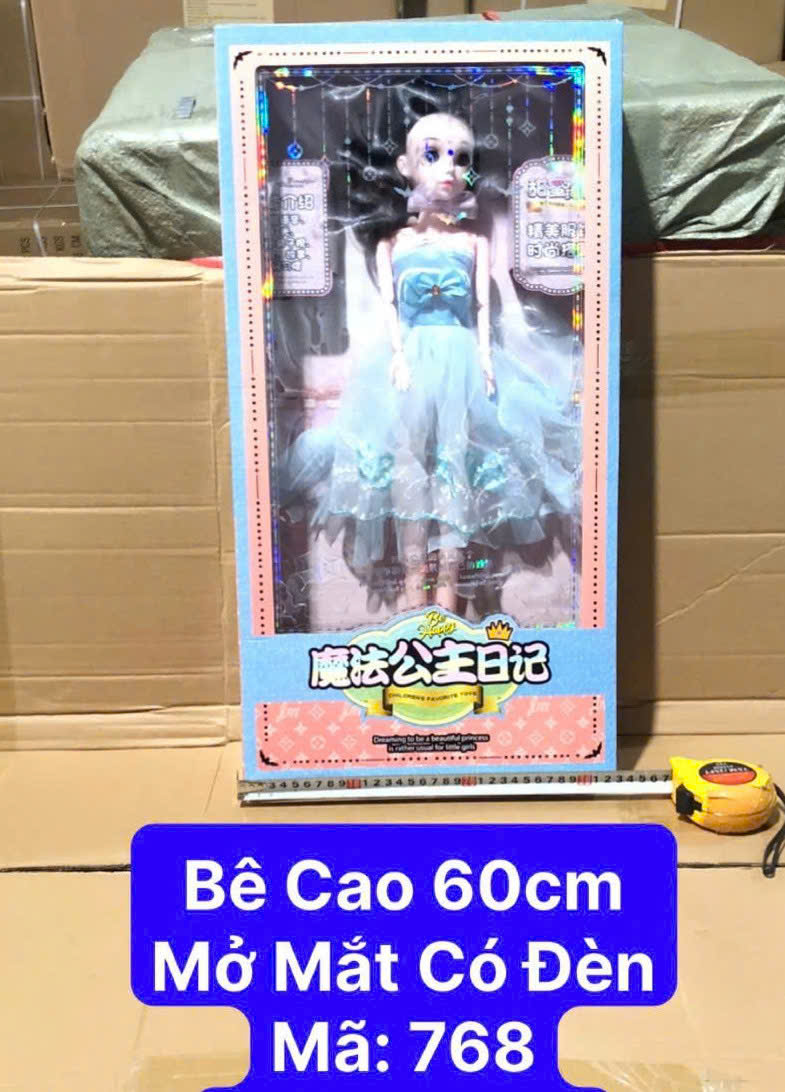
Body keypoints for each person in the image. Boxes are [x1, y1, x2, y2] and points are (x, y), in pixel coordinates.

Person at [283, 111, 578, 617]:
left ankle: (447, 608)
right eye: (434, 154)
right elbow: (391, 309)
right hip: (410, 363)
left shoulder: (473, 243)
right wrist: (398, 357)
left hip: (463, 360)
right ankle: (414, 606)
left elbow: (481, 309)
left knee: (456, 471)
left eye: (460, 158)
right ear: (406, 166)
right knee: (409, 471)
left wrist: (485, 361)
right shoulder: (393, 244)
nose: (448, 168)